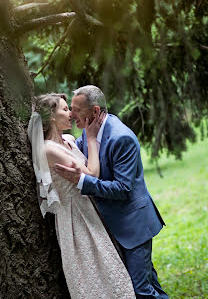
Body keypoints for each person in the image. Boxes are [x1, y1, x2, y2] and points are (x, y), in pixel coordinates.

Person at [54, 85, 169, 299]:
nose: (71, 114)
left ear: (95, 111)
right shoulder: (87, 134)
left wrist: (82, 181)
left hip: (133, 226)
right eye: (70, 108)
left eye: (76, 109)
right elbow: (78, 154)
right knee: (148, 283)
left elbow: (123, 189)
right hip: (112, 226)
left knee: (140, 289)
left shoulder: (121, 137)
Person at [27, 93, 136, 299]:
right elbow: (92, 173)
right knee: (91, 273)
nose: (71, 113)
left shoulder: (68, 140)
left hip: (90, 209)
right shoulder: (49, 150)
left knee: (110, 267)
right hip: (75, 216)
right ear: (51, 115)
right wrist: (91, 137)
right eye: (65, 109)